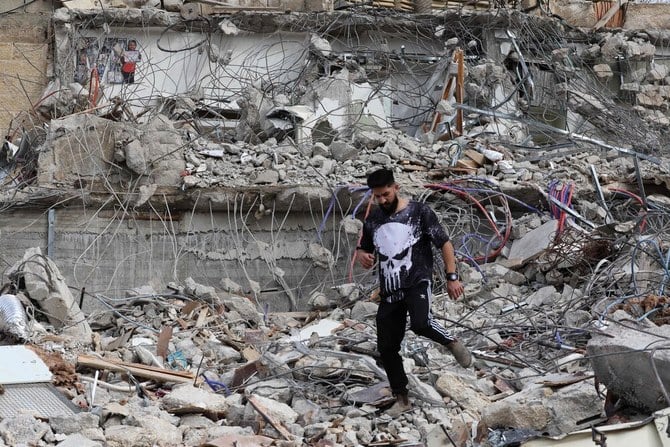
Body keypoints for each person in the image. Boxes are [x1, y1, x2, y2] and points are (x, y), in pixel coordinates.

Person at [355, 167, 472, 417]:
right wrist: (363, 256)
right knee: (387, 347)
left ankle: (450, 341)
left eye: (386, 194)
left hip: (417, 280)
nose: (382, 200)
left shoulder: (419, 213)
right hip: (389, 289)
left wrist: (452, 277)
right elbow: (364, 248)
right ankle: (402, 398)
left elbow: (445, 243)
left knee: (421, 323)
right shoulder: (373, 220)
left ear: (396, 187)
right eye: (377, 197)